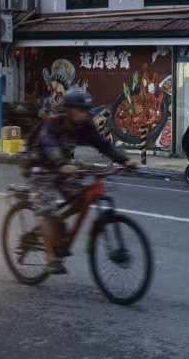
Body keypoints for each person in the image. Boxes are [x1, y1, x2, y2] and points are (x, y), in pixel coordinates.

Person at [30, 87, 133, 274]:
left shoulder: (84, 126)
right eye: (79, 109)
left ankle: (56, 221)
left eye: (85, 110)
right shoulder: (54, 122)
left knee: (81, 197)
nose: (83, 114)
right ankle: (50, 257)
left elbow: (102, 144)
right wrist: (61, 163)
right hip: (41, 165)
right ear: (69, 109)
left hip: (63, 168)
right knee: (46, 209)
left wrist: (125, 159)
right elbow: (49, 142)